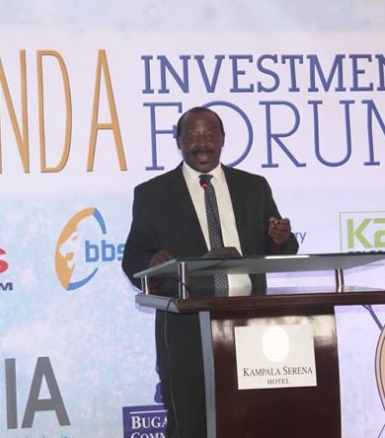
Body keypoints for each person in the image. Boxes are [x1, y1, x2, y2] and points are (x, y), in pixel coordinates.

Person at [121, 106, 299, 437]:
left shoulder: (253, 187)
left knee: (253, 422)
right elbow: (133, 258)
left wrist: (281, 239)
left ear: (222, 140)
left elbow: (280, 246)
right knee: (190, 425)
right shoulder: (152, 194)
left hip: (250, 324)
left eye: (210, 135)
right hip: (186, 327)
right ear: (178, 141)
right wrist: (152, 264)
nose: (202, 144)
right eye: (192, 136)